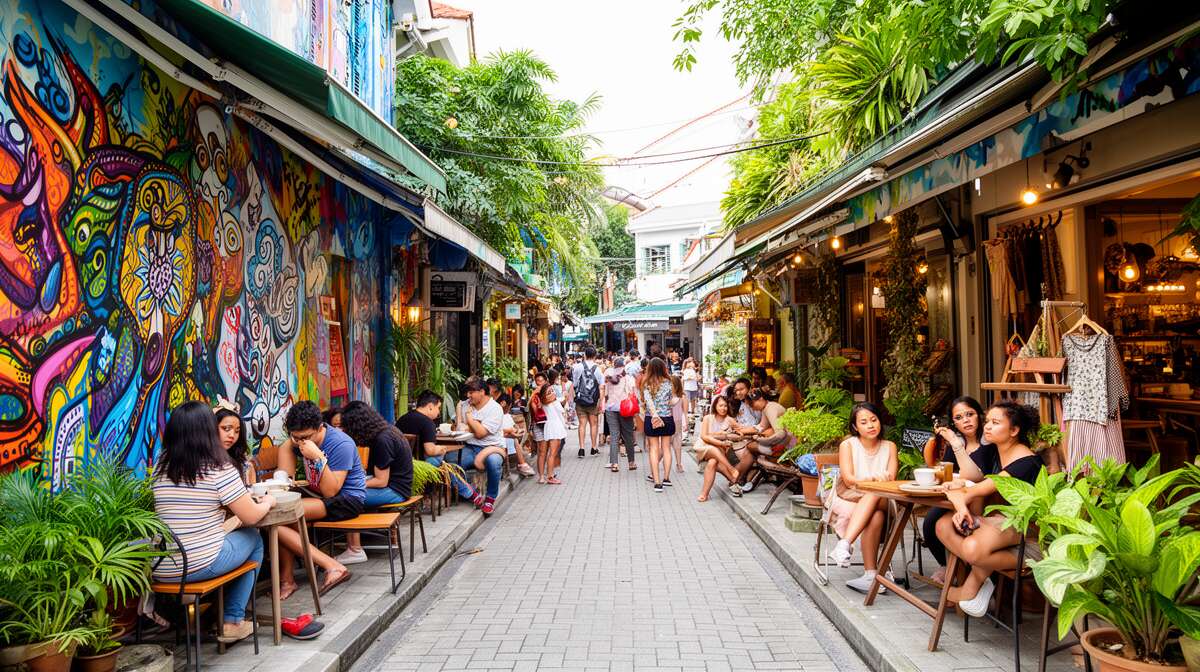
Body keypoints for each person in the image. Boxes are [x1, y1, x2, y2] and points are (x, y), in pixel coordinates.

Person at [153, 401, 273, 644]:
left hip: (160, 567)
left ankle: (213, 615)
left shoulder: (161, 465)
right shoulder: (218, 467)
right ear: (208, 429)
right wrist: (268, 502)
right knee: (255, 539)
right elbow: (250, 515)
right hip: (198, 564)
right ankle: (232, 620)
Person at [935, 401, 1045, 617]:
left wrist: (960, 504)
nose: (987, 427)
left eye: (995, 423)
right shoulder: (995, 451)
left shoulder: (1026, 462)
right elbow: (973, 478)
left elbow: (974, 491)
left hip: (1028, 537)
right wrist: (959, 491)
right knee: (941, 525)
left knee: (973, 548)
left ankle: (974, 584)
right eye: (987, 422)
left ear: (1014, 430)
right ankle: (982, 578)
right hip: (1000, 524)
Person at [275, 401, 365, 597]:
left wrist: (318, 458)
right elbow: (285, 459)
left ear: (320, 427)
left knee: (281, 517)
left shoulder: (341, 443)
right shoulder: (300, 439)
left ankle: (330, 567)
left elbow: (331, 491)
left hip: (348, 500)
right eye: (295, 437)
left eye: (305, 438)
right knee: (283, 516)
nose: (300, 443)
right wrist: (285, 478)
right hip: (319, 496)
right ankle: (288, 580)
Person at [826, 402, 899, 593]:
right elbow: (849, 479)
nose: (871, 425)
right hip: (855, 497)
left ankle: (845, 544)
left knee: (875, 491)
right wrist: (873, 480)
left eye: (874, 420)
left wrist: (876, 482)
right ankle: (871, 574)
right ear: (855, 427)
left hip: (886, 498)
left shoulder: (890, 446)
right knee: (876, 517)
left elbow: (891, 478)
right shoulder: (848, 445)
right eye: (864, 422)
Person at [335, 401, 414, 564]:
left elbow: (381, 481)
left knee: (347, 497)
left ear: (356, 425)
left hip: (395, 491)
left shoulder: (382, 440)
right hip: (398, 486)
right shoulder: (387, 431)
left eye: (345, 427)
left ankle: (355, 550)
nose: (343, 431)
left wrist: (354, 484)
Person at [920, 396, 988, 584]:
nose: (965, 420)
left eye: (970, 414)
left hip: (978, 501)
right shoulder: (955, 444)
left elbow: (975, 476)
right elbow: (949, 471)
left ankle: (964, 571)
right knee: (929, 523)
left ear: (979, 416)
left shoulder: (988, 444)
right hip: (953, 496)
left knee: (943, 524)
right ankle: (945, 565)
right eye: (959, 418)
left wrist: (956, 445)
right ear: (954, 423)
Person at [398, 390, 485, 504]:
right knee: (445, 464)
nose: (438, 412)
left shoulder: (403, 418)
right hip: (418, 465)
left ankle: (470, 494)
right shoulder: (427, 422)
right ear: (430, 407)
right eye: (438, 408)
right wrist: (442, 449)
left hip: (401, 463)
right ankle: (470, 494)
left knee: (445, 466)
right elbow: (430, 450)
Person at [455, 377, 508, 514]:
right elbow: (459, 427)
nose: (468, 396)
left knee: (494, 462)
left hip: (492, 447)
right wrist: (468, 424)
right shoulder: (465, 404)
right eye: (468, 392)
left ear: (482, 392)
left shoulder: (495, 409)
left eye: (471, 392)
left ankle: (490, 499)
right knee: (449, 463)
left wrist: (470, 420)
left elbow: (480, 433)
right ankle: (471, 494)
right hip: (469, 447)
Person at [694, 395, 743, 502]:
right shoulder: (708, 418)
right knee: (713, 449)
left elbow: (741, 432)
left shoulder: (730, 420)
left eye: (725, 406)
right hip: (704, 449)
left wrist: (733, 435)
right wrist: (720, 441)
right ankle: (731, 470)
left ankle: (704, 494)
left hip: (721, 452)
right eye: (720, 405)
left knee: (712, 463)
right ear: (715, 406)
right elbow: (704, 436)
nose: (723, 408)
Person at [640, 357, 675, 492]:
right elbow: (671, 400)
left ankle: (657, 481)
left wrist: (654, 414)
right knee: (666, 448)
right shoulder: (669, 382)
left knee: (653, 448)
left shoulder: (646, 383)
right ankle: (666, 478)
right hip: (667, 418)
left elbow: (648, 401)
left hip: (651, 419)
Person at [603, 357, 638, 473]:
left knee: (614, 436)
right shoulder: (628, 378)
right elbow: (632, 393)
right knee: (628, 435)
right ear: (623, 366)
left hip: (610, 408)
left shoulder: (608, 378)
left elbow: (606, 393)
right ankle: (631, 462)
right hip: (625, 409)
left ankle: (614, 463)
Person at [572, 347, 605, 458]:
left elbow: (575, 384)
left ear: (584, 355)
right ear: (595, 356)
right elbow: (601, 386)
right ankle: (593, 448)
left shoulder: (577, 367)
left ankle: (581, 449)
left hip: (581, 400)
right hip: (593, 401)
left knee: (582, 424)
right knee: (593, 425)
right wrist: (600, 402)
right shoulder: (598, 369)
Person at [214, 402, 255, 485]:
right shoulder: (203, 465)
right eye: (226, 429)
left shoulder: (245, 466)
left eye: (237, 431)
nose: (232, 435)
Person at [538, 380, 567, 484]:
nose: (552, 393)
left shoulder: (553, 400)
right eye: (549, 392)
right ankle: (550, 476)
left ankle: (551, 474)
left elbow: (563, 398)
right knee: (552, 453)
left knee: (554, 453)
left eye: (552, 390)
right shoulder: (546, 401)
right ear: (544, 395)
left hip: (556, 425)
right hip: (553, 426)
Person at [670, 375, 686, 473]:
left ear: (676, 386)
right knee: (665, 444)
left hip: (677, 422)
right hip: (667, 421)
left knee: (677, 444)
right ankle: (660, 461)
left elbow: (685, 412)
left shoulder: (682, 398)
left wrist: (686, 424)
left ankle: (679, 464)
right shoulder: (666, 397)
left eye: (670, 384)